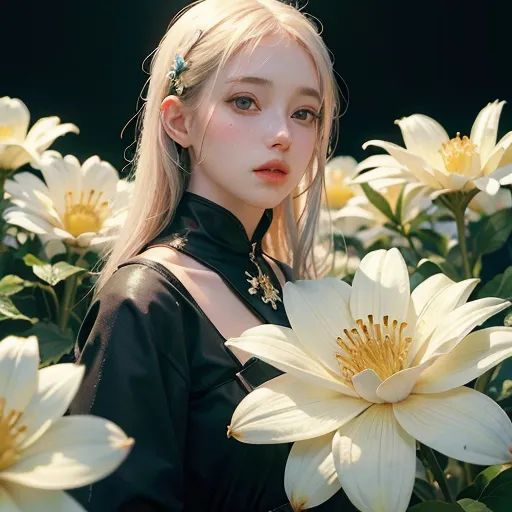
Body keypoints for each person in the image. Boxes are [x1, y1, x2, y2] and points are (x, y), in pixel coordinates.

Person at [69, 0, 357, 510]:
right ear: (178, 121)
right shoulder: (144, 304)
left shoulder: (299, 290)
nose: (282, 135)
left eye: (304, 113)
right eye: (245, 102)